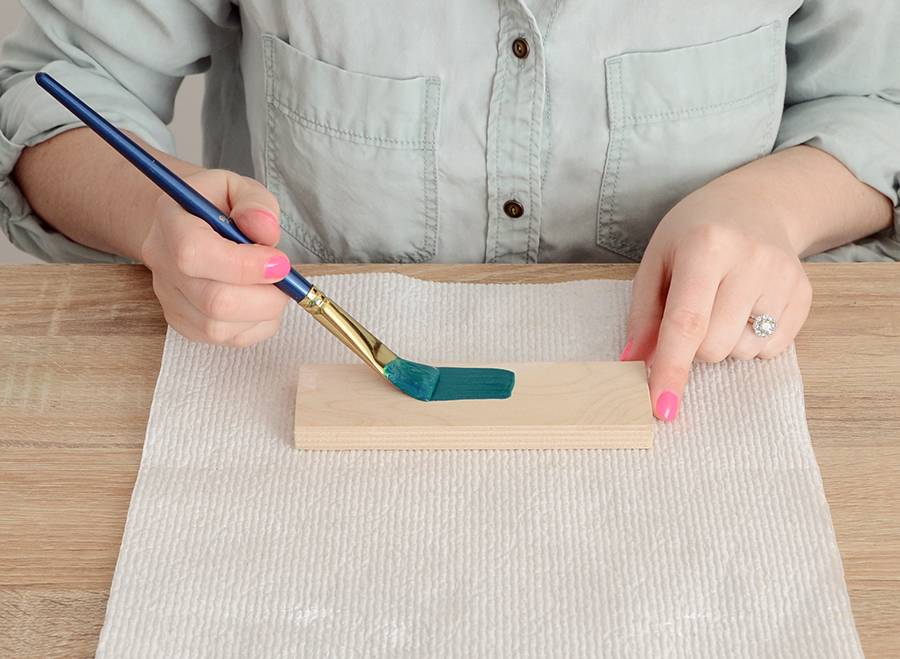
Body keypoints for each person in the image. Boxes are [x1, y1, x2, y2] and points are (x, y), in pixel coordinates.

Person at [1, 1, 897, 422]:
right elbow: (42, 87)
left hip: (718, 419)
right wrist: (158, 219)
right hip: (276, 411)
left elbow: (877, 97)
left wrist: (773, 208)